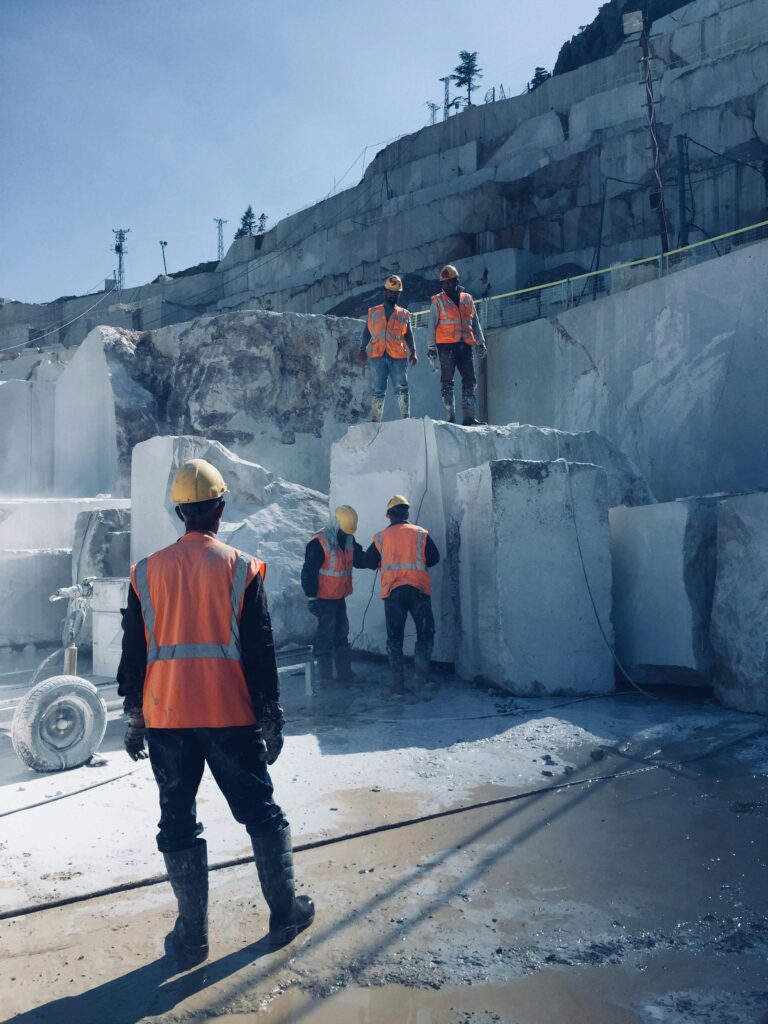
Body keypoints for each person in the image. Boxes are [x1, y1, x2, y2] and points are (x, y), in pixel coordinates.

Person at [117, 458, 314, 965]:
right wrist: (270, 713)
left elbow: (134, 655)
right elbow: (260, 647)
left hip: (166, 719)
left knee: (177, 823)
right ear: (220, 509)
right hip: (229, 713)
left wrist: (135, 716)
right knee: (261, 814)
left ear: (180, 511)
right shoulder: (241, 567)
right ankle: (284, 912)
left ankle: (192, 937)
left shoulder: (145, 571)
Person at [363, 495, 440, 696]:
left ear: (389, 516)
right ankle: (421, 679)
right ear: (406, 513)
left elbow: (369, 562)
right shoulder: (421, 534)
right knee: (425, 634)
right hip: (418, 591)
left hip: (393, 593)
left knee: (394, 638)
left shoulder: (381, 537)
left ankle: (397, 684)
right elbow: (434, 558)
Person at [301, 505, 367, 688]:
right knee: (326, 636)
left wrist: (377, 559)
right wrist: (311, 597)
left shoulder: (348, 539)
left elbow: (359, 558)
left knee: (342, 632)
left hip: (338, 597)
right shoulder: (319, 542)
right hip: (324, 598)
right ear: (336, 524)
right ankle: (325, 678)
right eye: (344, 531)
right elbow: (309, 571)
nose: (346, 534)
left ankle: (345, 673)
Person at [427, 263, 487, 426]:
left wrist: (481, 343)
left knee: (470, 379)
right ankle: (450, 417)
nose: (446, 285)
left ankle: (468, 417)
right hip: (446, 347)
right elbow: (431, 325)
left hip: (465, 345)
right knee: (447, 381)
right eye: (444, 283)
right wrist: (431, 348)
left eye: (449, 282)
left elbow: (475, 323)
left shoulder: (467, 299)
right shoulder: (438, 302)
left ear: (456, 281)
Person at [358, 275, 417, 422]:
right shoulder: (374, 312)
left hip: (398, 357)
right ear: (385, 292)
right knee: (378, 389)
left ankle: (405, 418)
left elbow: (408, 333)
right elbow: (367, 331)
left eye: (396, 292)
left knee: (402, 387)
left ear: (399, 294)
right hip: (378, 355)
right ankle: (376, 421)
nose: (393, 294)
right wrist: (362, 348)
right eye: (390, 291)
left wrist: (413, 351)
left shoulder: (404, 314)